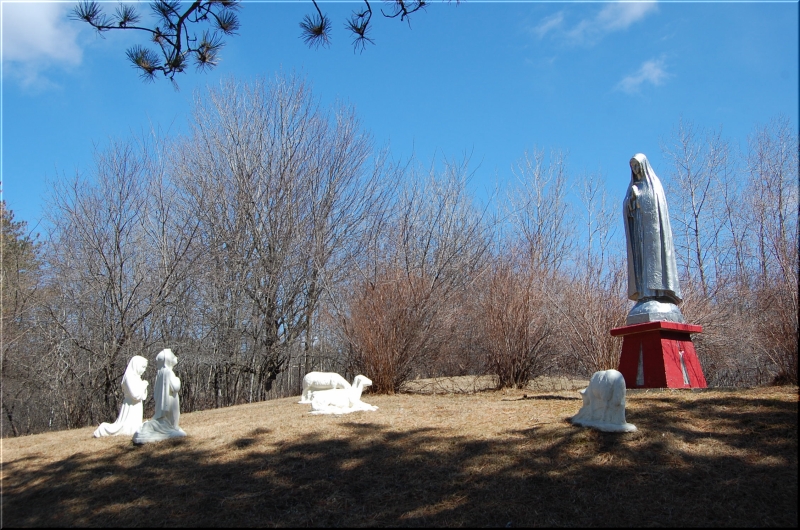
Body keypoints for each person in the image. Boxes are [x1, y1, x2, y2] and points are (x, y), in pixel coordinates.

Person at [623, 154, 683, 322]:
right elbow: (628, 210)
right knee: (641, 264)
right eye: (632, 166)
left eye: (637, 165)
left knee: (655, 264)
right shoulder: (632, 187)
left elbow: (655, 207)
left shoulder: (654, 185)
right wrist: (631, 200)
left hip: (654, 237)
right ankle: (644, 294)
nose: (635, 169)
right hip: (639, 234)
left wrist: (640, 197)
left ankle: (660, 293)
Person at [132, 349, 186, 443]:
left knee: (173, 418)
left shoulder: (160, 373)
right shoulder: (169, 372)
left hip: (166, 401)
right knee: (173, 416)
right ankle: (172, 427)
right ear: (168, 360)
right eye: (173, 356)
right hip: (171, 401)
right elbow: (175, 387)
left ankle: (172, 427)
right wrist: (177, 379)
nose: (175, 358)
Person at [93, 355, 148, 437]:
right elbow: (135, 394)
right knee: (124, 428)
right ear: (136, 365)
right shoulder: (129, 377)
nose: (144, 370)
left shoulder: (137, 377)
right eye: (142, 367)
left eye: (145, 367)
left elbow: (142, 396)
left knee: (134, 427)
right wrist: (143, 385)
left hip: (136, 404)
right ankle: (104, 428)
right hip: (130, 404)